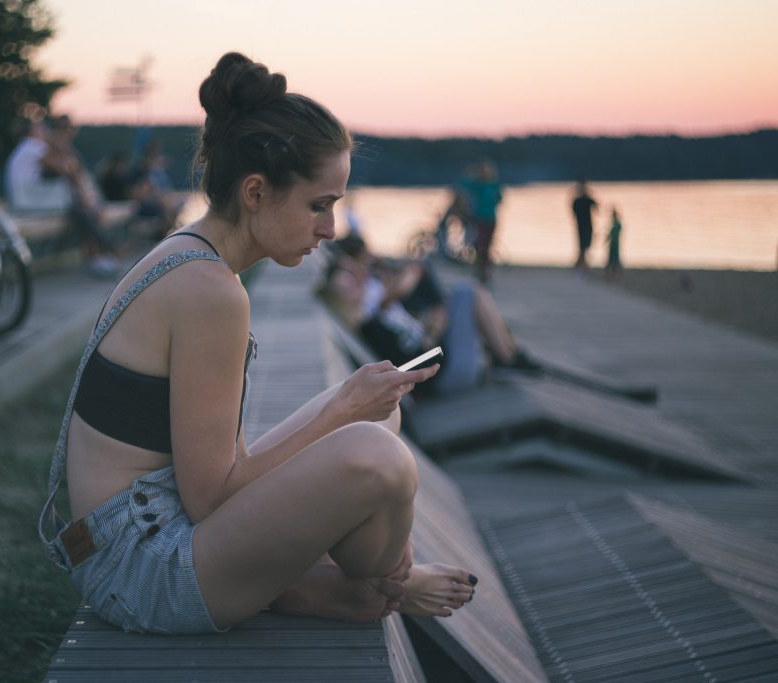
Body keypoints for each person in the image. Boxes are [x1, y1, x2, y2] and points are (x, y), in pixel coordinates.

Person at [39, 52, 478, 635]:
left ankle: (312, 587)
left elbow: (218, 473)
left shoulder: (187, 252)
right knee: (379, 458)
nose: (330, 230)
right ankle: (372, 584)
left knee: (379, 416)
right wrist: (345, 413)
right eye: (318, 206)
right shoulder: (210, 291)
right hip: (141, 569)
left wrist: (351, 411)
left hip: (145, 525)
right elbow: (212, 501)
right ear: (255, 192)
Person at [320, 233, 537, 396]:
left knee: (463, 295)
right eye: (347, 288)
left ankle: (507, 355)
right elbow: (409, 365)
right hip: (446, 374)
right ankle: (507, 358)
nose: (356, 281)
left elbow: (409, 345)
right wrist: (434, 332)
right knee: (468, 292)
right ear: (343, 302)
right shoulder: (371, 327)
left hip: (443, 362)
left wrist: (428, 325)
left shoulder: (372, 320)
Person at [5, 115, 120, 277]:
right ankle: (101, 253)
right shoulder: (35, 147)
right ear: (32, 132)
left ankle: (100, 254)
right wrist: (61, 149)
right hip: (30, 200)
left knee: (80, 209)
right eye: (40, 128)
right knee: (79, 211)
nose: (44, 131)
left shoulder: (27, 147)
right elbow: (66, 168)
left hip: (27, 198)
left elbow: (69, 168)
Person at [469, 159, 502, 283]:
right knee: (479, 244)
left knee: (486, 245)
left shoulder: (494, 185)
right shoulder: (478, 185)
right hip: (480, 219)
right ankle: (480, 269)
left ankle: (485, 271)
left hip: (491, 218)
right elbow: (468, 189)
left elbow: (499, 199)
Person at [571, 178, 598, 272]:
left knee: (585, 244)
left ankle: (582, 264)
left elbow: (596, 207)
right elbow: (573, 211)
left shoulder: (585, 199)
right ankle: (581, 264)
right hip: (582, 224)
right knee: (583, 244)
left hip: (586, 224)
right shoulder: (579, 200)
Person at [605, 206, 623, 279]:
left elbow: (612, 235)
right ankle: (613, 275)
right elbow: (610, 235)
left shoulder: (617, 225)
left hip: (615, 245)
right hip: (613, 244)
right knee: (613, 260)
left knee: (614, 260)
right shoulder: (615, 224)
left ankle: (615, 274)